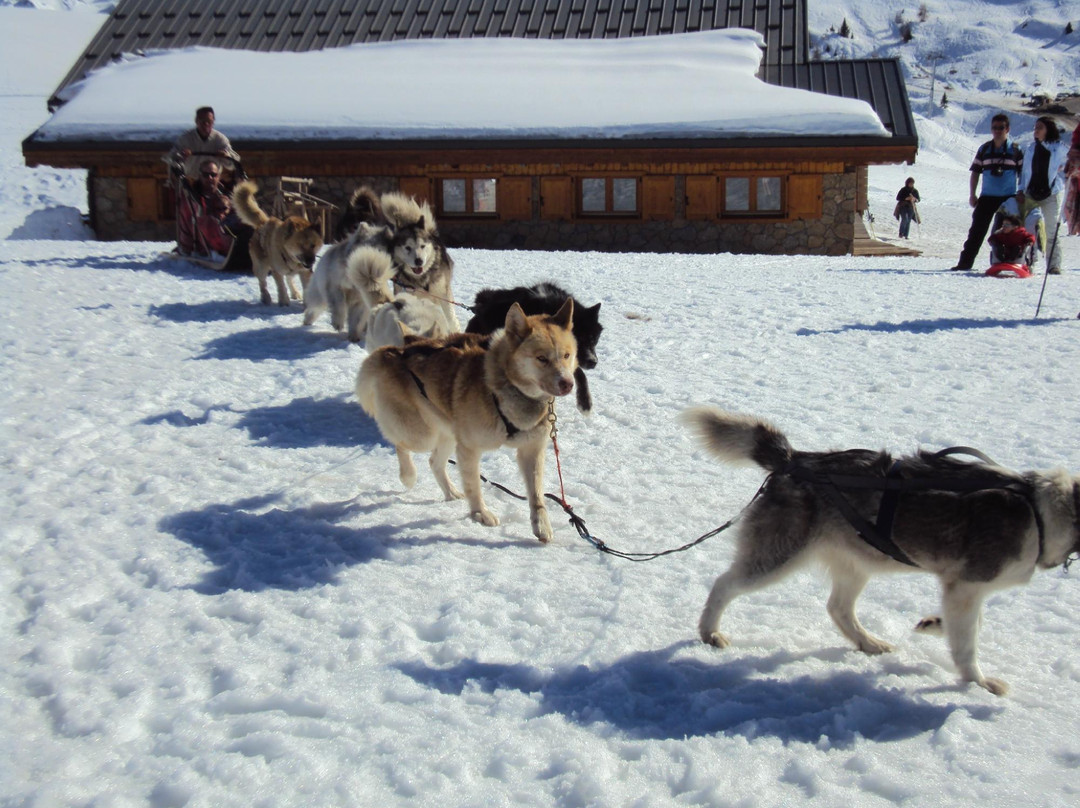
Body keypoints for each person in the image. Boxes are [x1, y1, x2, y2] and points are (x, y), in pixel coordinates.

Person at [950, 114, 1023, 271]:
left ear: (1007, 129)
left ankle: (1009, 262)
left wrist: (1021, 193)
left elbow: (1023, 173)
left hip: (1008, 198)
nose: (997, 131)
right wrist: (972, 194)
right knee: (976, 232)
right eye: (994, 128)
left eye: (1001, 128)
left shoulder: (1016, 150)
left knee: (1009, 232)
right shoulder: (984, 149)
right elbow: (975, 172)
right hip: (987, 197)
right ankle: (965, 263)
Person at [1017, 116, 1069, 275]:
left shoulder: (1059, 147)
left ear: (1048, 129)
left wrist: (1066, 171)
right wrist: (1021, 189)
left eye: (1040, 127)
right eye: (1035, 127)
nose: (1036, 130)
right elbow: (1025, 172)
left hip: (1051, 193)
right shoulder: (1031, 148)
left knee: (1052, 230)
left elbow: (1070, 162)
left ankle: (1054, 265)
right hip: (1031, 193)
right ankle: (1029, 262)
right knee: (1029, 229)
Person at [175, 159, 240, 260]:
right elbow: (187, 222)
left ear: (218, 176)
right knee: (210, 222)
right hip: (208, 238)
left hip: (229, 230)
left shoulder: (226, 194)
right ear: (200, 176)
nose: (210, 178)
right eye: (206, 175)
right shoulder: (193, 198)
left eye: (213, 175)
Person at [168, 106, 241, 183]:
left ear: (213, 121)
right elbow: (171, 159)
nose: (206, 124)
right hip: (190, 182)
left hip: (212, 182)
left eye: (209, 121)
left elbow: (233, 164)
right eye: (202, 121)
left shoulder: (220, 139)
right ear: (196, 121)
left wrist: (226, 156)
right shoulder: (185, 139)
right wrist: (181, 155)